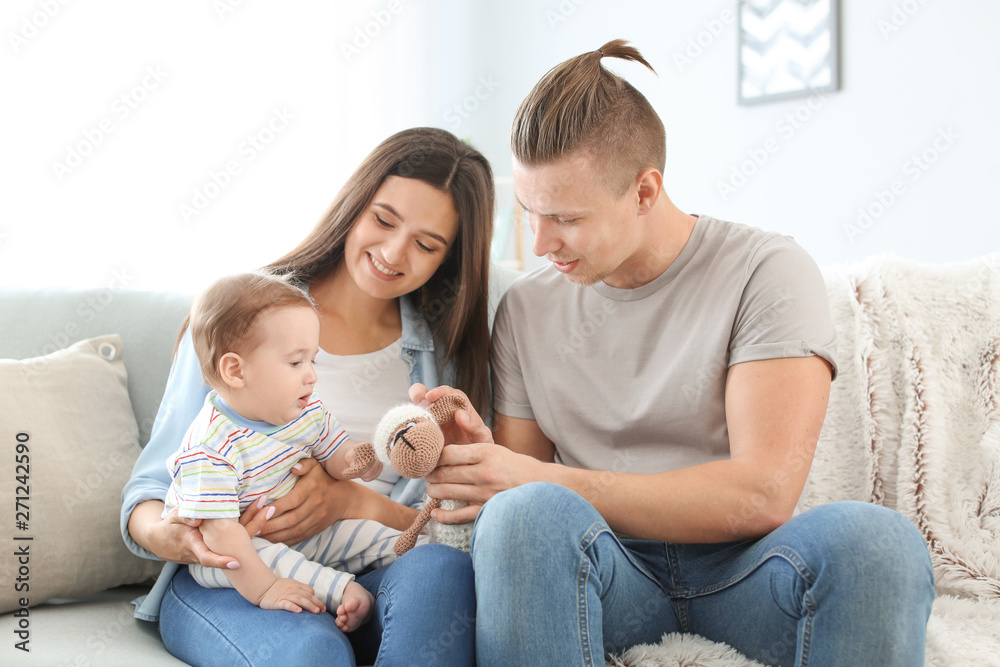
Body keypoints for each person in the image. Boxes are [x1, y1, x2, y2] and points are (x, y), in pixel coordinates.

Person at [414, 40, 935, 666]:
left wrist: (542, 479)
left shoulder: (766, 271)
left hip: (746, 576)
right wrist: (487, 463)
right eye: (529, 213)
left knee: (878, 543)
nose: (542, 241)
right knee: (520, 516)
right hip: (608, 576)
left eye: (566, 218)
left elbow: (762, 493)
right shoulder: (527, 308)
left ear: (643, 191)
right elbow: (526, 501)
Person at [121, 127, 493, 666]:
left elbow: (443, 522)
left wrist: (352, 500)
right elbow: (149, 493)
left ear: (448, 258)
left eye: (426, 244)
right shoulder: (242, 319)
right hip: (239, 576)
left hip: (370, 570)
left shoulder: (447, 356)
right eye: (384, 220)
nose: (393, 252)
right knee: (311, 653)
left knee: (443, 572)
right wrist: (186, 539)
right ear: (354, 204)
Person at [165, 271, 402, 632]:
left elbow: (337, 453)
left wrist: (358, 462)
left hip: (304, 534)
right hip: (235, 557)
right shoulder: (210, 447)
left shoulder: (304, 411)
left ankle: (414, 546)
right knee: (260, 553)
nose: (311, 376)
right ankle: (342, 591)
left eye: (313, 361)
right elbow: (220, 537)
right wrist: (266, 588)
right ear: (235, 370)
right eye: (296, 363)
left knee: (371, 534)